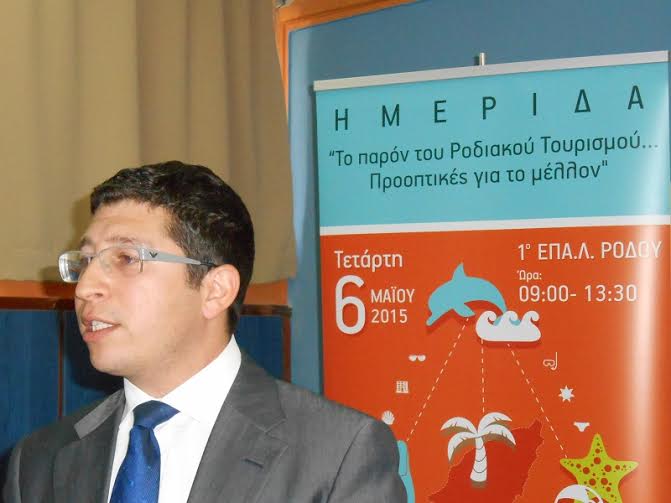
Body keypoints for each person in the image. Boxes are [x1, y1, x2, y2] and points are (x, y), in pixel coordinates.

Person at [2, 161, 406, 503]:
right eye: (86, 261)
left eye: (125, 258)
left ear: (215, 290)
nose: (86, 287)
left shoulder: (338, 454)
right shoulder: (38, 462)